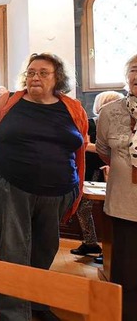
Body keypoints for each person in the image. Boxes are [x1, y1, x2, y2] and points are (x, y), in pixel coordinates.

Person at [0, 52, 87, 321]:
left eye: (43, 72)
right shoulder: (8, 101)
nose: (35, 77)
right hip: (13, 186)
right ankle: (14, 314)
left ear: (58, 77)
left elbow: (79, 144)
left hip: (58, 190)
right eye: (31, 72)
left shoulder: (72, 108)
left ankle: (37, 303)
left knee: (45, 248)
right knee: (13, 249)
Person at [96, 53, 137, 321]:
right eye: (133, 70)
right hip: (124, 203)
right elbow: (102, 150)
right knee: (127, 273)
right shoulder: (110, 112)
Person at [70, 91, 122, 260]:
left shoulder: (122, 126)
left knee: (111, 208)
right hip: (92, 168)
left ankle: (109, 249)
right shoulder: (91, 123)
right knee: (83, 206)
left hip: (112, 169)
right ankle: (90, 241)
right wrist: (107, 150)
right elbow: (84, 145)